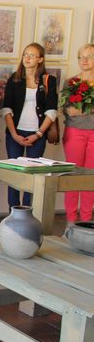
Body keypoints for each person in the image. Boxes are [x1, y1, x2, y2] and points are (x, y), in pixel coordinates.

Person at [2, 43, 58, 207]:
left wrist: (38, 134)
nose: (27, 58)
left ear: (40, 59)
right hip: (15, 133)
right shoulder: (14, 79)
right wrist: (14, 134)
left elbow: (51, 111)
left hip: (38, 134)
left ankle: (28, 211)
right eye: (25, 54)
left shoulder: (49, 80)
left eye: (32, 55)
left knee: (33, 175)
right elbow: (7, 109)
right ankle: (13, 211)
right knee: (13, 174)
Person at [62, 43, 94, 222]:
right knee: (73, 176)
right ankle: (71, 222)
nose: (84, 60)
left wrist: (82, 108)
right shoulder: (71, 82)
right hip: (75, 132)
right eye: (81, 57)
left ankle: (86, 221)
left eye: (89, 56)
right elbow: (70, 111)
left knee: (90, 178)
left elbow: (76, 110)